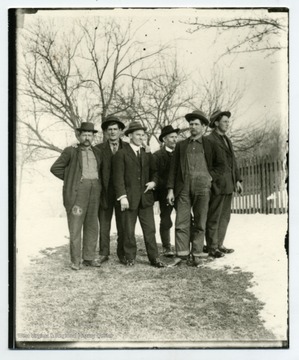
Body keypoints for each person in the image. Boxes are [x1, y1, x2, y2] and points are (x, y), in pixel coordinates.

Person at [167, 110, 220, 267]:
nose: (193, 127)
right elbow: (173, 169)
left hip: (203, 187)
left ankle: (196, 254)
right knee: (181, 221)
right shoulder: (181, 146)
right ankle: (181, 255)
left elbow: (222, 166)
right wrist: (170, 189)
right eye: (191, 124)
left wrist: (211, 177)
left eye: (197, 124)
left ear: (203, 126)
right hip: (183, 187)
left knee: (200, 221)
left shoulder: (211, 145)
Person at [112, 121, 165, 268]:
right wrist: (122, 196)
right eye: (138, 134)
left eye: (143, 135)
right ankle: (129, 257)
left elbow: (155, 172)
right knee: (128, 230)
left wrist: (154, 182)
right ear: (129, 135)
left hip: (145, 199)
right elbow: (118, 177)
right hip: (128, 199)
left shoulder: (146, 153)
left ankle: (154, 258)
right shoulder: (121, 154)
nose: (141, 137)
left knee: (150, 230)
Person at [50, 122, 102, 270]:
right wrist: (71, 179)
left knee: (92, 225)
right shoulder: (70, 151)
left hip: (95, 191)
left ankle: (89, 258)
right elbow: (55, 168)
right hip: (78, 193)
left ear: (93, 137)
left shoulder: (97, 152)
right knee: (75, 226)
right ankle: (75, 261)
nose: (87, 137)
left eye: (90, 135)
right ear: (79, 136)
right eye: (84, 134)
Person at [205, 110, 243, 257]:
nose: (228, 124)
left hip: (229, 184)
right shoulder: (209, 140)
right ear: (216, 123)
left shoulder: (227, 139)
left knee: (225, 216)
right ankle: (212, 247)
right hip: (217, 185)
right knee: (214, 216)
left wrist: (238, 180)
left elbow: (233, 161)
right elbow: (208, 165)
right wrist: (213, 180)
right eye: (225, 121)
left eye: (228, 121)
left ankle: (219, 244)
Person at [95, 115, 129, 264]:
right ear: (105, 132)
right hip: (104, 193)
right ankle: (103, 253)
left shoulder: (128, 148)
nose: (113, 132)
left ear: (121, 131)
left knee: (123, 225)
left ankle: (122, 253)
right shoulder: (98, 149)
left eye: (116, 129)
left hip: (122, 194)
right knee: (104, 225)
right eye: (109, 129)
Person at [153, 125, 180, 257]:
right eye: (171, 137)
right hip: (164, 193)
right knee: (166, 220)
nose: (174, 140)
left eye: (176, 137)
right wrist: (168, 189)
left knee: (185, 218)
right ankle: (167, 246)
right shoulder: (158, 156)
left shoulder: (181, 154)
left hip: (180, 192)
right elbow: (155, 175)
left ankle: (185, 245)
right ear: (164, 139)